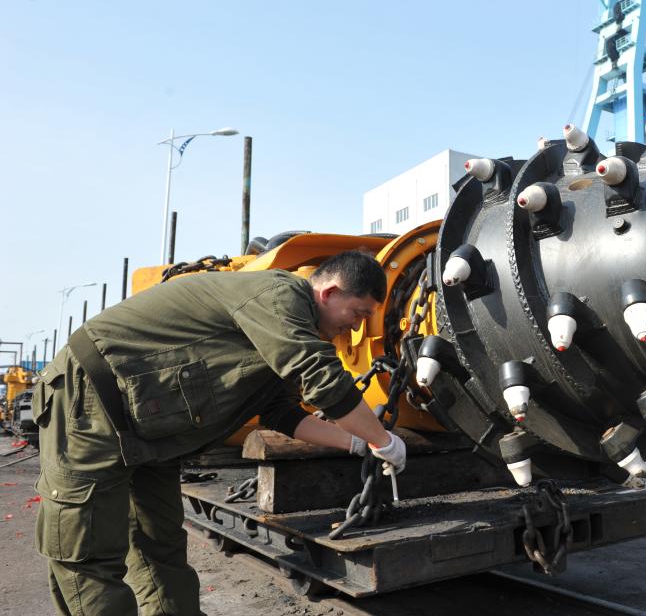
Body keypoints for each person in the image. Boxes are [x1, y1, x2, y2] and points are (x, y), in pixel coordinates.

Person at [33, 251, 407, 616]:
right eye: (358, 313)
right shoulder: (281, 296)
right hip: (91, 401)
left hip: (151, 431)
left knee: (160, 545)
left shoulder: (287, 329)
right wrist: (383, 439)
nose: (356, 328)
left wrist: (357, 443)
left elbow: (281, 413)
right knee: (87, 553)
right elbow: (319, 375)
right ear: (330, 293)